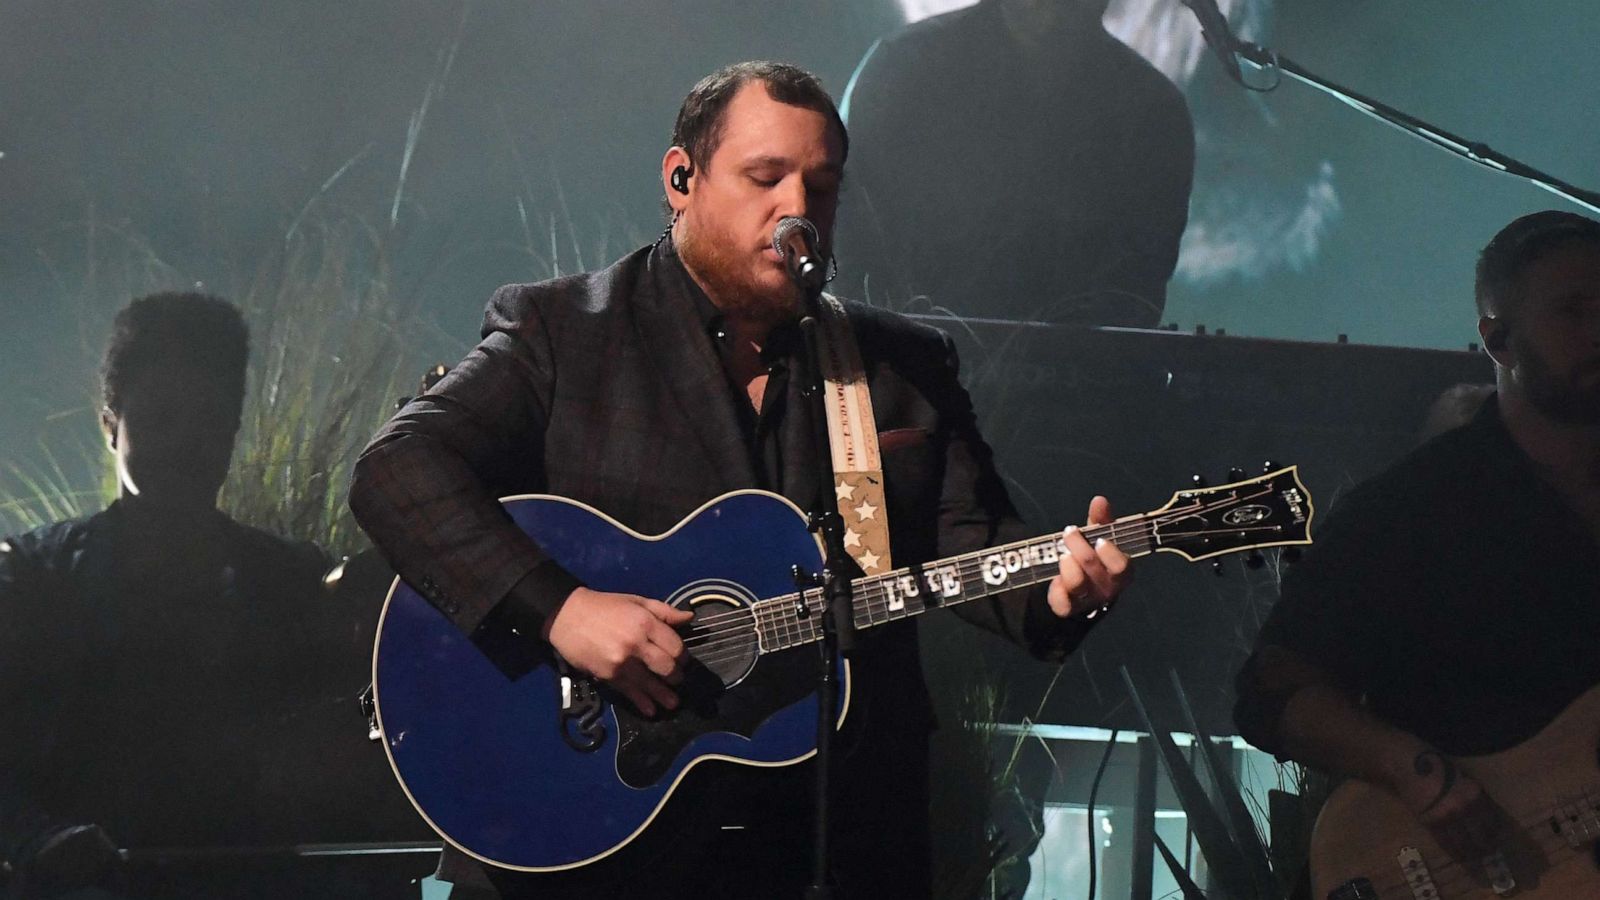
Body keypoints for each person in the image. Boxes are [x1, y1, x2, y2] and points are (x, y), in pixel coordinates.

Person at [349, 61, 1132, 899]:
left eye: (821, 187)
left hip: (836, 834)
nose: (797, 209)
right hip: (599, 836)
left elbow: (969, 542)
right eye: (766, 177)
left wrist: (1060, 589)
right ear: (681, 178)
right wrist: (563, 611)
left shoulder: (899, 367)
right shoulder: (563, 332)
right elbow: (397, 470)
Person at [0, 293, 422, 898]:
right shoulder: (32, 582)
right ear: (110, 422)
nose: (186, 442)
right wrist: (39, 841)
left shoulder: (300, 583)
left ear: (232, 430)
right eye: (162, 417)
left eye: (209, 420)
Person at [1233, 210, 1600, 863]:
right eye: (1573, 311)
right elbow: (1272, 689)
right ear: (1499, 342)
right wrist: (1413, 771)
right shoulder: (1409, 513)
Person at [835, 0, 1194, 327]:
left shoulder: (1154, 110)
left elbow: (1137, 287)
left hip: (1072, 383)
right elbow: (848, 240)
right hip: (905, 372)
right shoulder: (902, 67)